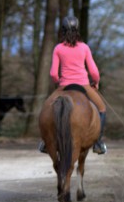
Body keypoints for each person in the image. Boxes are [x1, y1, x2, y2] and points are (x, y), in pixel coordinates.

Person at [39, 15, 107, 155]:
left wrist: (58, 83)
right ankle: (98, 143)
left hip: (64, 85)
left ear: (62, 30)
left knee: (46, 109)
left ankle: (46, 142)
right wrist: (95, 82)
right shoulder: (84, 48)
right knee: (102, 108)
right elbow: (94, 71)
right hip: (84, 85)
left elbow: (53, 73)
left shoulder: (58, 48)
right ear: (77, 30)